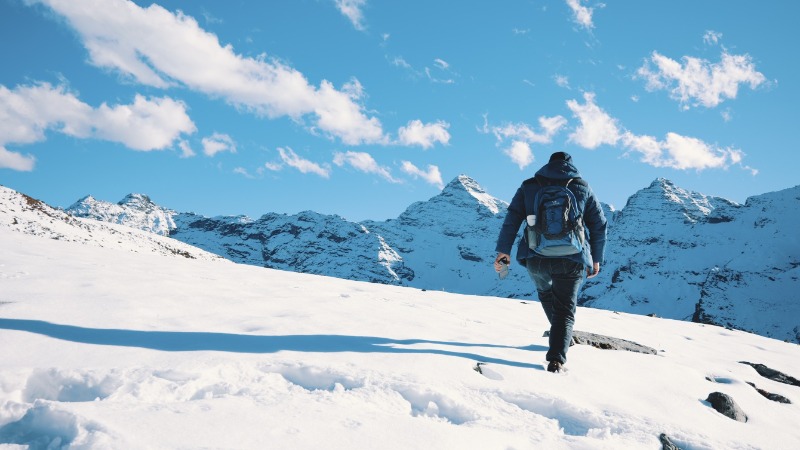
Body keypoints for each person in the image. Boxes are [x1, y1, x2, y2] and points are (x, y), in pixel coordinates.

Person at [494, 151, 607, 373]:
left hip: (536, 257)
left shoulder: (529, 186)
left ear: (548, 164)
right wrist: (596, 259)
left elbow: (511, 220)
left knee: (546, 294)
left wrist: (503, 251)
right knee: (565, 310)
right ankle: (556, 358)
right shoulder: (582, 187)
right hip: (572, 258)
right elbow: (599, 225)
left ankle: (560, 337)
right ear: (571, 166)